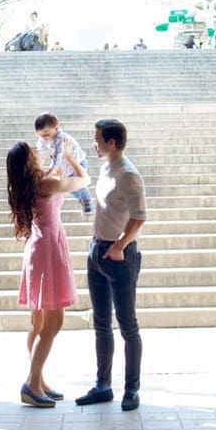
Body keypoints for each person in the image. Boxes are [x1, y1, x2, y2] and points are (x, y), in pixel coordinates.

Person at [7, 141, 91, 408]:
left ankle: (38, 380)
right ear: (29, 160)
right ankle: (31, 384)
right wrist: (69, 156)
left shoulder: (31, 183)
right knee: (53, 324)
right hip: (49, 249)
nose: (37, 151)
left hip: (38, 246)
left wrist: (57, 163)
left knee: (38, 323)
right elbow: (82, 180)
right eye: (33, 151)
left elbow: (54, 173)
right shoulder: (45, 185)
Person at [76, 119, 146, 412]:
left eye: (98, 139)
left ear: (112, 143)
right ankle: (103, 385)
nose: (94, 143)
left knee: (127, 325)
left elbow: (140, 216)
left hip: (119, 256)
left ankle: (131, 390)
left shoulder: (128, 174)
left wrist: (119, 245)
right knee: (101, 323)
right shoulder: (106, 167)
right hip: (97, 252)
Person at [35, 112, 93, 215]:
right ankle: (80, 198)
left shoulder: (60, 138)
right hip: (65, 166)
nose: (45, 137)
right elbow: (40, 150)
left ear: (56, 128)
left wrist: (52, 169)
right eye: (41, 135)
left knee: (78, 184)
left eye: (47, 133)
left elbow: (59, 154)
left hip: (77, 163)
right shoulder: (43, 139)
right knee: (68, 186)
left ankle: (87, 200)